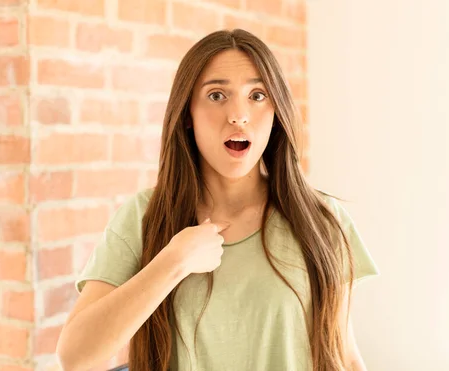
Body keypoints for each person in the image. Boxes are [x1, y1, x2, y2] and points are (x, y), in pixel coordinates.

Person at [56, 29, 379, 371]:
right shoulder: (144, 218)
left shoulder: (323, 220)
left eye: (257, 95)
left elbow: (343, 354)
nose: (238, 114)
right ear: (188, 116)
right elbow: (75, 356)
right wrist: (173, 262)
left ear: (276, 112)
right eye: (216, 95)